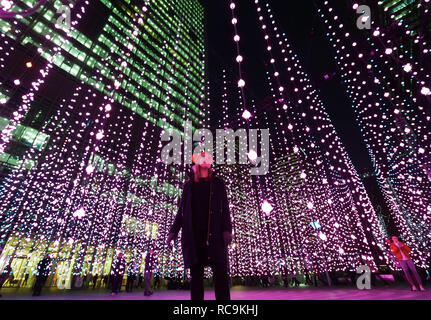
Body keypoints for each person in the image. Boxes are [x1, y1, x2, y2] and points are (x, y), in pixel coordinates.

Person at [166, 151, 233, 300]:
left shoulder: (218, 183)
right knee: (196, 278)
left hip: (215, 236)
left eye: (207, 158)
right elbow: (181, 211)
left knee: (221, 276)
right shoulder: (188, 186)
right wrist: (173, 231)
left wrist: (227, 229)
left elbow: (225, 209)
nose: (204, 160)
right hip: (193, 237)